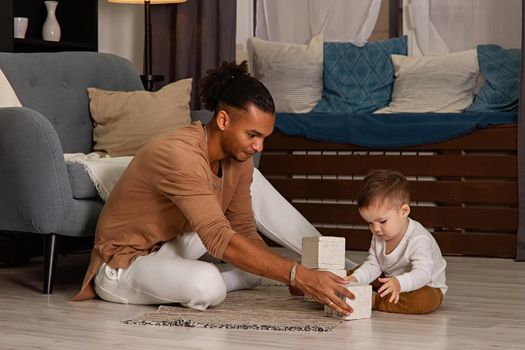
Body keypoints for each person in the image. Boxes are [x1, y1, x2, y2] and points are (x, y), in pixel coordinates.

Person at [74, 61, 355, 315]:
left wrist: (296, 273)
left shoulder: (237, 158)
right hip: (123, 265)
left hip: (172, 244)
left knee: (258, 253)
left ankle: (343, 269)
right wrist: (296, 275)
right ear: (223, 121)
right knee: (208, 283)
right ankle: (220, 280)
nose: (259, 146)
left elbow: (243, 227)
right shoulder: (179, 154)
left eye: (264, 137)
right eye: (253, 135)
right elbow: (218, 237)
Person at [348, 169, 447, 314]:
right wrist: (356, 279)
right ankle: (342, 285)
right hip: (389, 278)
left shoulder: (418, 239)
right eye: (370, 223)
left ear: (404, 211)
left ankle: (374, 300)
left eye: (382, 221)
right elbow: (373, 265)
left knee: (422, 301)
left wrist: (399, 283)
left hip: (425, 285)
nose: (375, 229)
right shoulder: (379, 234)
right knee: (357, 272)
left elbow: (423, 273)